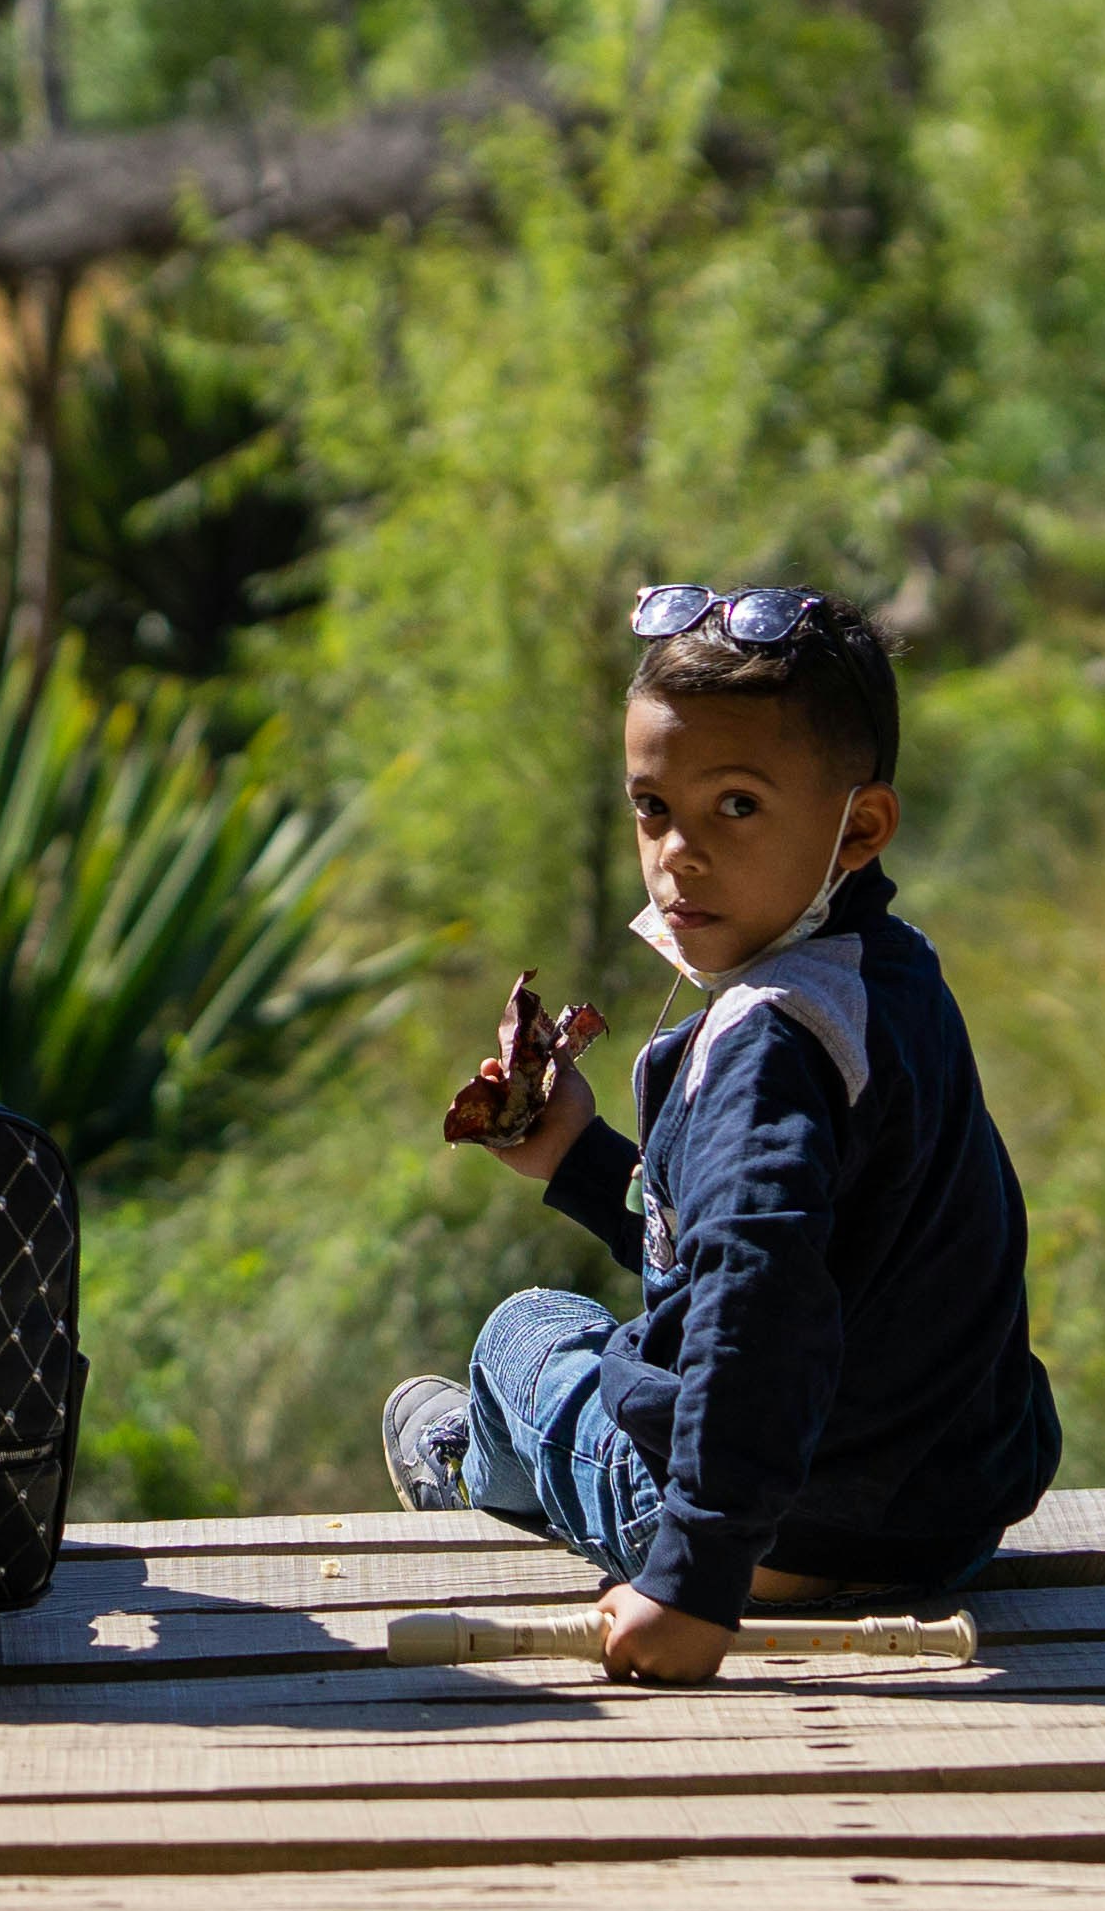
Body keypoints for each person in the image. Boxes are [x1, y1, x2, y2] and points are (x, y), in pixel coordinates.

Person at [380, 586, 1058, 1680]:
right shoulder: (892, 980)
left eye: (735, 807)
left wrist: (692, 1581)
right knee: (624, 1341)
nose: (679, 854)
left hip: (760, 1544)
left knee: (528, 1331)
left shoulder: (766, 1042)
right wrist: (579, 1160)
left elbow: (758, 1297)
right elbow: (781, 1234)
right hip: (943, 1518)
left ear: (861, 826)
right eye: (653, 808)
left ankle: (475, 1469)